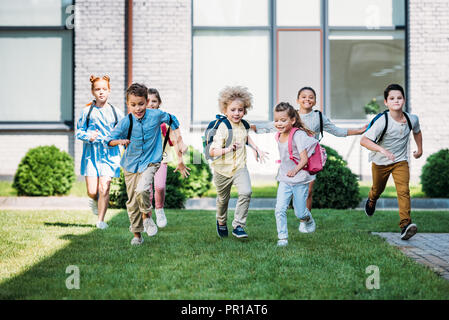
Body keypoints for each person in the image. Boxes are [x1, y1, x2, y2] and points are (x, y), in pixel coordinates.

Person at [253, 86, 367, 212]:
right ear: (297, 100)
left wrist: (358, 131)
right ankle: (291, 213)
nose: (307, 99)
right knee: (290, 190)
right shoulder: (291, 116)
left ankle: (305, 221)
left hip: (310, 159)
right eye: (303, 97)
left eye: (311, 97)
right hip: (292, 159)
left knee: (308, 191)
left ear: (315, 101)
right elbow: (270, 126)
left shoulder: (318, 117)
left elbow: (337, 131)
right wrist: (250, 126)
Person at [106, 83, 190, 245]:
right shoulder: (126, 122)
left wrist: (179, 142)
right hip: (130, 165)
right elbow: (109, 140)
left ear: (146, 101)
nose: (138, 108)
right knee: (132, 202)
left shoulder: (156, 115)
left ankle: (147, 217)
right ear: (128, 104)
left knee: (143, 188)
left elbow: (174, 120)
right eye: (133, 105)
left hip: (151, 162)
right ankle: (137, 235)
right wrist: (119, 141)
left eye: (141, 104)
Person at [360, 83, 423, 240]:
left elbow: (417, 131)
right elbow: (364, 140)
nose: (396, 101)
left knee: (403, 191)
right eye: (392, 98)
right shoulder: (382, 121)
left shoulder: (411, 119)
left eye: (399, 98)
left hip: (400, 161)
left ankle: (405, 225)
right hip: (380, 162)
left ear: (404, 100)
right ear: (386, 102)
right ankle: (372, 199)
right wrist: (383, 150)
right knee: (377, 189)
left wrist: (420, 149)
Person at [208, 86, 268, 239]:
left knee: (246, 192)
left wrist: (256, 149)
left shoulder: (243, 124)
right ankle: (221, 221)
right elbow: (212, 152)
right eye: (233, 110)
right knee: (223, 199)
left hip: (240, 167)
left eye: (240, 110)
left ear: (244, 110)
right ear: (225, 110)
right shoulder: (223, 127)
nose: (237, 113)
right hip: (222, 170)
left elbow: (245, 136)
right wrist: (228, 149)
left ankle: (238, 225)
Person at [75, 75, 124, 229]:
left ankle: (101, 221)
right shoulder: (86, 111)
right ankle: (94, 199)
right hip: (91, 156)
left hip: (110, 155)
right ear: (93, 92)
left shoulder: (116, 112)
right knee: (92, 191)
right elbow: (78, 132)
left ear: (109, 91)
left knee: (104, 187)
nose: (101, 92)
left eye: (104, 89)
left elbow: (124, 131)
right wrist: (88, 136)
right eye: (97, 89)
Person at [273, 102, 319, 246]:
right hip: (285, 179)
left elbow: (304, 159)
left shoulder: (298, 135)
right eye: (276, 120)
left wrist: (295, 170)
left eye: (283, 120)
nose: (279, 123)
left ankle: (308, 218)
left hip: (300, 179)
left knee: (300, 213)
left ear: (292, 120)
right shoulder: (279, 134)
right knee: (279, 209)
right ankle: (282, 238)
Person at [145, 88, 187, 229]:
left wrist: (180, 160)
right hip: (144, 160)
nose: (151, 104)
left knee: (160, 186)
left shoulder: (164, 122)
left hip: (161, 159)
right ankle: (147, 217)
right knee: (147, 190)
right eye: (148, 101)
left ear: (159, 103)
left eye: (154, 101)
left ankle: (159, 209)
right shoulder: (140, 120)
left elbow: (174, 140)